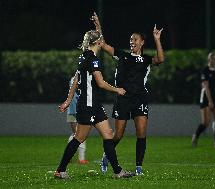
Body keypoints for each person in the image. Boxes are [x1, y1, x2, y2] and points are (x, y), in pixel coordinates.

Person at [91, 12, 165, 175]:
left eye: (135, 40)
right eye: (131, 40)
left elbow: (160, 59)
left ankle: (138, 167)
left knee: (141, 133)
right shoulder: (122, 55)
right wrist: (98, 25)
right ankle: (106, 156)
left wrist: (157, 39)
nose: (132, 42)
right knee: (118, 135)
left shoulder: (146, 60)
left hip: (140, 98)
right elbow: (102, 44)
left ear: (142, 42)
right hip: (123, 98)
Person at [54, 29, 133, 179]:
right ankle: (60, 170)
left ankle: (118, 172)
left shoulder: (83, 56)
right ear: (98, 42)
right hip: (87, 105)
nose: (102, 42)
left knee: (108, 134)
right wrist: (118, 90)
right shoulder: (93, 59)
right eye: (101, 40)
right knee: (79, 138)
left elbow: (76, 80)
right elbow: (101, 83)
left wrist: (68, 100)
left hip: (95, 105)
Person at [191, 52, 215, 148]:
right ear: (210, 60)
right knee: (206, 122)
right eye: (214, 58)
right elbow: (206, 87)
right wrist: (210, 101)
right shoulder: (205, 71)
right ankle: (196, 136)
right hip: (206, 98)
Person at [66, 77, 88, 164]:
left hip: (72, 111)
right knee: (80, 134)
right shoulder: (78, 79)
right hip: (74, 112)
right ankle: (81, 159)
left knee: (76, 134)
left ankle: (68, 156)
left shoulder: (74, 79)